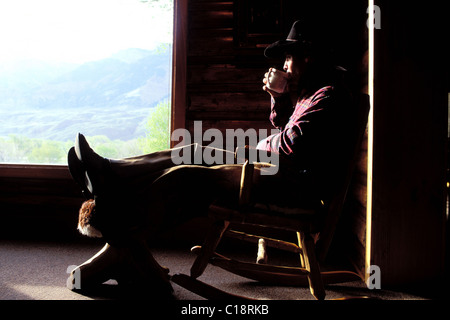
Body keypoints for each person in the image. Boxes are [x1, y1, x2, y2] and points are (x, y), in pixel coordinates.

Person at [66, 20, 357, 298]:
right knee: (191, 151)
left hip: (288, 183)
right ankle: (111, 170)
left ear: (309, 58)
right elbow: (287, 132)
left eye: (290, 56)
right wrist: (279, 98)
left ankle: (120, 229)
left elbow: (292, 148)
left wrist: (263, 144)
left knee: (186, 176)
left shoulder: (329, 97)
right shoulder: (310, 94)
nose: (284, 64)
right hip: (270, 169)